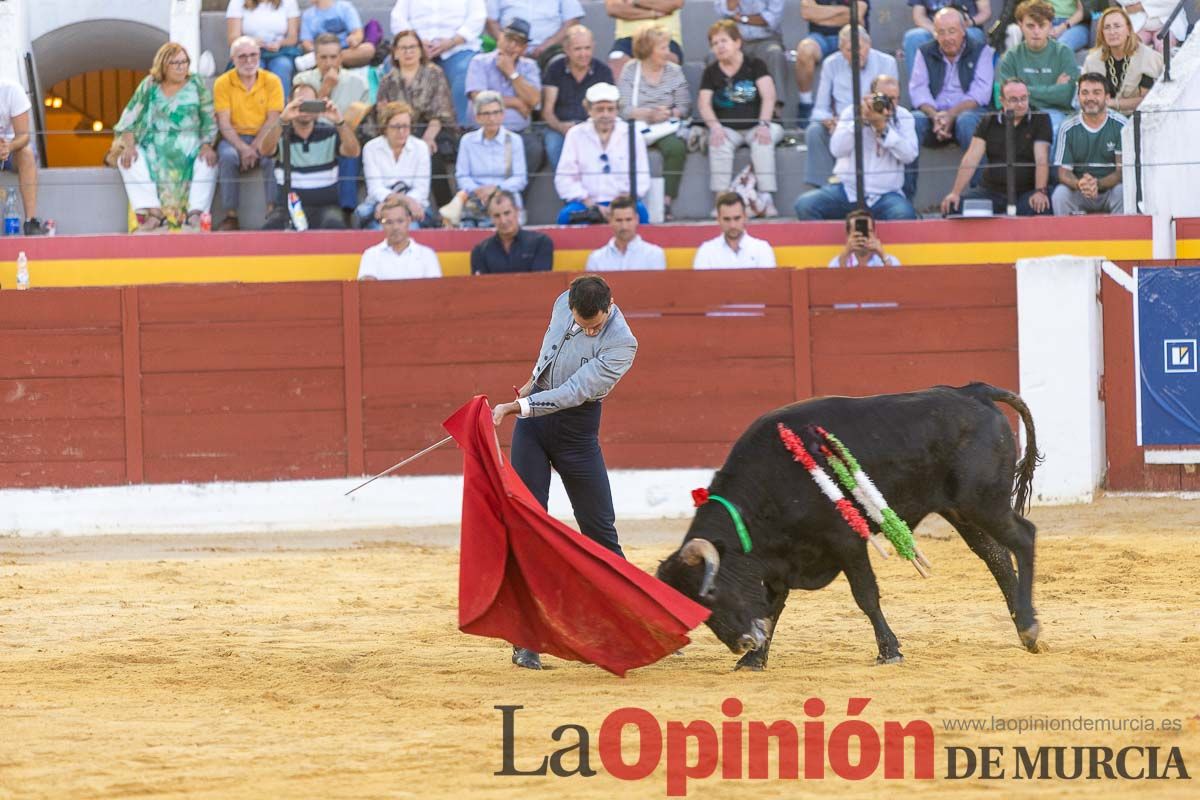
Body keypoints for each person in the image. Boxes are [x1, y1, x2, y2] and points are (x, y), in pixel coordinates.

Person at [491, 273, 638, 670]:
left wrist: (514, 408)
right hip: (534, 430)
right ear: (571, 305)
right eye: (582, 322)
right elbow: (550, 352)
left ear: (610, 306)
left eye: (595, 324)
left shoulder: (623, 343)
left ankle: (631, 626)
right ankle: (527, 639)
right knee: (528, 528)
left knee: (600, 531)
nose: (589, 329)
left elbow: (574, 391)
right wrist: (529, 384)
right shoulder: (562, 303)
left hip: (576, 435)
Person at [113, 43, 218, 232]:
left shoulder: (196, 83)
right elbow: (128, 119)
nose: (181, 67)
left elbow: (209, 119)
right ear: (163, 65)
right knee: (126, 160)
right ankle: (154, 212)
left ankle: (196, 213)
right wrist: (129, 146)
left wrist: (207, 144)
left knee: (208, 162)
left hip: (191, 147)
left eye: (184, 62)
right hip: (155, 148)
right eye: (175, 63)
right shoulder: (150, 84)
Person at [793, 75, 918, 221]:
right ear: (871, 95)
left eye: (894, 98)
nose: (889, 104)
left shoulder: (904, 117)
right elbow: (837, 149)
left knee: (904, 214)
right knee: (805, 205)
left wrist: (883, 129)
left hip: (885, 195)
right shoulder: (852, 112)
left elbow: (909, 155)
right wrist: (859, 122)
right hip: (848, 190)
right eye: (884, 98)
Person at [905, 7, 994, 199]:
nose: (947, 38)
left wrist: (952, 114)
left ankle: (981, 195)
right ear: (935, 33)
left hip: (966, 113)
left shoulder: (981, 51)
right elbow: (918, 90)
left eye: (952, 31)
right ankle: (905, 195)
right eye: (941, 32)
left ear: (963, 30)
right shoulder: (925, 52)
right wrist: (935, 115)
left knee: (969, 121)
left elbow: (981, 93)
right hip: (933, 117)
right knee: (910, 121)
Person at [699, 20, 784, 215]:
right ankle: (721, 200)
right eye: (714, 43)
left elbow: (769, 96)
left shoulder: (755, 65)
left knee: (763, 140)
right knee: (718, 142)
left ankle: (765, 198)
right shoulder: (711, 72)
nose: (719, 46)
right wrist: (715, 127)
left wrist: (764, 124)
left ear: (737, 42)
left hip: (759, 124)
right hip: (728, 128)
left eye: (724, 41)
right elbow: (703, 104)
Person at [804, 25, 897, 192]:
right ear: (840, 49)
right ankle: (825, 189)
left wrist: (869, 117)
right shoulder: (831, 64)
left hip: (873, 121)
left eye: (859, 48)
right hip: (840, 124)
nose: (855, 54)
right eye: (848, 50)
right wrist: (829, 121)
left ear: (869, 44)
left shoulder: (887, 63)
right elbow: (819, 109)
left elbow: (891, 105)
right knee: (814, 131)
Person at [940, 78, 1052, 216]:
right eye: (1014, 100)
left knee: (1042, 207)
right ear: (1002, 101)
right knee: (953, 208)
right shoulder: (989, 120)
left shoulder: (1040, 118)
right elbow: (971, 158)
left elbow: (1042, 158)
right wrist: (955, 193)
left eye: (1024, 98)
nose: (1021, 104)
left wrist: (1040, 191)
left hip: (1025, 193)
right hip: (991, 192)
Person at [258, 84, 361, 229]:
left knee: (334, 224)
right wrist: (283, 119)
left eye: (310, 104)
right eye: (301, 103)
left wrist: (339, 121)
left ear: (318, 103)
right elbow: (265, 151)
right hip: (288, 208)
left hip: (326, 207)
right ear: (290, 103)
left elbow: (353, 151)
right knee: (270, 229)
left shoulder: (330, 133)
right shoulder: (281, 133)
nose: (305, 109)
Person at [374, 30, 458, 207]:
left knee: (430, 154)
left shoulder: (434, 73)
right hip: (398, 131)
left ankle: (446, 210)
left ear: (420, 50)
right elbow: (383, 115)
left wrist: (428, 138)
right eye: (403, 48)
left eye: (412, 47)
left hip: (432, 129)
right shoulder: (388, 80)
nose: (408, 52)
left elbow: (440, 111)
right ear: (395, 53)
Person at [617, 26, 690, 220]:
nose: (669, 53)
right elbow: (623, 108)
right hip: (639, 124)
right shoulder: (630, 69)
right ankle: (627, 201)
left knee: (676, 148)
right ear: (649, 49)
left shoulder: (674, 71)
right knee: (625, 147)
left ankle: (665, 202)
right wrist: (648, 114)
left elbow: (684, 105)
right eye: (663, 48)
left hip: (665, 126)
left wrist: (670, 112)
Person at [213, 37, 285, 231]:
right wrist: (243, 148)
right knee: (227, 157)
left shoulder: (272, 80)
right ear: (233, 59)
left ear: (259, 56)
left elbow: (273, 119)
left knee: (271, 156)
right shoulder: (222, 83)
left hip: (263, 135)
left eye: (253, 55)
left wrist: (255, 147)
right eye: (242, 56)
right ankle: (231, 216)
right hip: (234, 138)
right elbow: (224, 123)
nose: (248, 61)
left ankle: (273, 211)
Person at [554, 82, 651, 225]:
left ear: (617, 110)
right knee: (565, 217)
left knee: (640, 213)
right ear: (589, 110)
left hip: (623, 203)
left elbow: (642, 178)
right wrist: (591, 204)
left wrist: (618, 204)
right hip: (586, 203)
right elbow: (564, 179)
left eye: (610, 109)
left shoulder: (632, 134)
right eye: (600, 110)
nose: (605, 115)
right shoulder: (575, 134)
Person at [294, 33, 370, 213]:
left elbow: (362, 119)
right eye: (323, 57)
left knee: (351, 150)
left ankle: (347, 209)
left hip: (343, 133)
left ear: (341, 57)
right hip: (311, 133)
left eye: (333, 57)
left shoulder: (359, 83)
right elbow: (302, 114)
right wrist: (325, 88)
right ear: (315, 58)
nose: (329, 63)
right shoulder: (302, 80)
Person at [464, 17, 545, 174]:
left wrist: (511, 73)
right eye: (509, 39)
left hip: (519, 133)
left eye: (519, 42)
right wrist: (517, 102)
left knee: (534, 148)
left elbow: (535, 100)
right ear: (500, 37)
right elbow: (479, 97)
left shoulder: (529, 66)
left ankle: (514, 197)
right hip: (484, 130)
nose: (512, 46)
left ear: (525, 47)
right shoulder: (480, 62)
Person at [389, 0, 486, 127]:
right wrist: (416, 42)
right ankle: (405, 129)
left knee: (464, 75)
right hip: (417, 46)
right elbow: (397, 18)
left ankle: (459, 131)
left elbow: (477, 18)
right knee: (393, 69)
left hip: (457, 47)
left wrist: (452, 42)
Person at [443, 91, 528, 227]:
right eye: (486, 114)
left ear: (502, 114)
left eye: (496, 113)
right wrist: (479, 191)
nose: (492, 118)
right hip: (475, 198)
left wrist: (495, 189)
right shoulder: (468, 141)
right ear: (477, 118)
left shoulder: (514, 140)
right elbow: (462, 176)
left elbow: (520, 179)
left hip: (505, 197)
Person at [997, 0, 1080, 136]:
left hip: (1055, 113)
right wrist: (1054, 88)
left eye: (1042, 26)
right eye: (1030, 26)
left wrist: (1023, 92)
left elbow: (1066, 96)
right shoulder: (1011, 57)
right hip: (1020, 114)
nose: (1036, 31)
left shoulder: (1064, 53)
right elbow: (1006, 98)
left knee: (1052, 130)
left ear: (1050, 26)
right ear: (1020, 25)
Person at [1052, 73, 1126, 215]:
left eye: (1096, 93)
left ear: (1107, 97)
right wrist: (1080, 184)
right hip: (1080, 190)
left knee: (1123, 191)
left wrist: (1097, 184)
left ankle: (1121, 236)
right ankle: (1067, 237)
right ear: (1078, 97)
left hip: (1110, 190)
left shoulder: (1120, 125)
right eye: (1085, 93)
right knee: (1060, 195)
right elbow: (1063, 173)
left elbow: (1121, 172)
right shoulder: (1067, 127)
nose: (1090, 98)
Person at [542, 27, 614, 171]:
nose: (583, 54)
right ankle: (568, 190)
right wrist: (561, 127)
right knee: (554, 145)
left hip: (594, 126)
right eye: (578, 49)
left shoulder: (603, 72)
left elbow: (610, 109)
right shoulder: (555, 69)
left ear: (593, 46)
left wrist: (588, 128)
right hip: (559, 127)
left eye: (587, 48)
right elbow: (547, 111)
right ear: (566, 49)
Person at [358, 102, 434, 229]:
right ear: (384, 127)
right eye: (395, 127)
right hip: (380, 204)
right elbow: (375, 188)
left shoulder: (421, 148)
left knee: (411, 228)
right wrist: (398, 202)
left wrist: (405, 203)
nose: (401, 131)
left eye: (406, 126)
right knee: (379, 229)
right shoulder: (371, 148)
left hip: (414, 205)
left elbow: (421, 189)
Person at [794, 0, 870, 124]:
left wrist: (820, 15)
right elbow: (807, 13)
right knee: (805, 49)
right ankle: (805, 105)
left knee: (856, 48)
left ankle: (858, 111)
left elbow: (857, 14)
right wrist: (843, 11)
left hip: (851, 37)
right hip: (820, 38)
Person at [1082, 7, 1163, 115]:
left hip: (1136, 119)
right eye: (1107, 27)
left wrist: (1113, 103)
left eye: (1117, 26)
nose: (1112, 32)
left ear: (1128, 30)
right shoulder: (1092, 60)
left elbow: (1146, 99)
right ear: (1102, 33)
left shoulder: (1147, 57)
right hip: (1101, 117)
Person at [715, 1, 789, 118]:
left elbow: (771, 19)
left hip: (766, 39)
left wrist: (741, 19)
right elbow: (724, 14)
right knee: (714, 56)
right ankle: (724, 111)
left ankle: (775, 110)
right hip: (734, 40)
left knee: (775, 53)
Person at [357, 195, 442, 279]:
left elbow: (434, 290)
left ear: (409, 221)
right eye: (389, 222)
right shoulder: (371, 255)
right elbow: (367, 290)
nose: (395, 227)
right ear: (381, 224)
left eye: (400, 221)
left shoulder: (427, 255)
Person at [225, 0, 301, 94]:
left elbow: (293, 38)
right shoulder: (237, 2)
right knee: (253, 65)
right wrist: (251, 42)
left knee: (282, 65)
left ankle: (281, 106)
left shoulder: (289, 2)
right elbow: (233, 38)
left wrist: (279, 43)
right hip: (249, 52)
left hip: (280, 51)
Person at [470, 190, 554, 273]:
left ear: (517, 211)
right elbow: (480, 285)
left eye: (507, 213)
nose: (503, 221)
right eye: (497, 216)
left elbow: (541, 283)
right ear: (491, 218)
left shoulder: (541, 243)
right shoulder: (480, 251)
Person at [0, 79, 44, 235]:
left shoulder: (11, 90)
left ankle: (30, 222)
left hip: (12, 149)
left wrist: (8, 146)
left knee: (27, 152)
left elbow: (24, 136)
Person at [486, 0, 584, 69]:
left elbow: (572, 21)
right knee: (492, 61)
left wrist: (547, 45)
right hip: (509, 46)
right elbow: (490, 22)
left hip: (550, 48)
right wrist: (508, 44)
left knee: (559, 62)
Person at [693, 191, 777, 268]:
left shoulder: (762, 249)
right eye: (726, 219)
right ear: (718, 219)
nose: (732, 225)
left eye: (737, 218)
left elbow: (768, 284)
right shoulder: (706, 251)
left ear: (745, 217)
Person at [586, 194, 666, 271]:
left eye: (628, 220)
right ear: (610, 221)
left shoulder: (654, 255)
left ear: (637, 219)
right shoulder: (596, 259)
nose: (624, 226)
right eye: (619, 220)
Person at [903, 0, 990, 71]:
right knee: (913, 38)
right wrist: (937, 31)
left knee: (973, 36)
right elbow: (919, 16)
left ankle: (971, 87)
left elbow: (985, 12)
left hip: (967, 27)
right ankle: (919, 89)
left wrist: (969, 23)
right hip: (933, 28)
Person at [605, 0, 685, 77]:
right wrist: (654, 14)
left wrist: (634, 2)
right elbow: (613, 8)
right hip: (627, 38)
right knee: (616, 61)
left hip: (664, 37)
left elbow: (675, 2)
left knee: (666, 62)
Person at [299, 0, 376, 68]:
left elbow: (358, 33)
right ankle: (326, 59)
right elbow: (306, 42)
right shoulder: (307, 15)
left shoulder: (345, 7)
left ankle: (322, 60)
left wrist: (354, 40)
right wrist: (316, 50)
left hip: (345, 51)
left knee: (368, 49)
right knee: (323, 55)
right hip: (322, 52)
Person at [829, 210, 900, 267]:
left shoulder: (890, 260)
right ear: (848, 235)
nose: (862, 238)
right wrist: (844, 259)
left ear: (874, 233)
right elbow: (836, 283)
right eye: (857, 233)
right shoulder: (836, 262)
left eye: (867, 232)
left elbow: (897, 282)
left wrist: (883, 256)